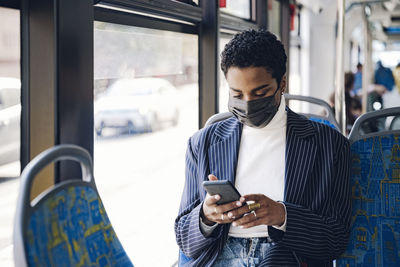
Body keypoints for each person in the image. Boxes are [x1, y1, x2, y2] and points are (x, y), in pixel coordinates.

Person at [175, 29, 351, 267]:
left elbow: (336, 238)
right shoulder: (203, 143)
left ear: (282, 84)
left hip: (288, 256)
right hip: (219, 255)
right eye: (237, 94)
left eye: (260, 93)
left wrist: (282, 216)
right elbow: (184, 239)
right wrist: (206, 216)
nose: (247, 104)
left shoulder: (329, 145)